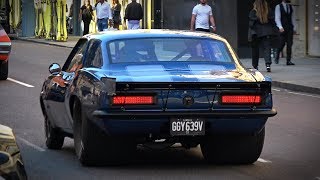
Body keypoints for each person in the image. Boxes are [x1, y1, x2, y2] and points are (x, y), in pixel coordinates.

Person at [248, 0, 277, 72]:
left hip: (256, 33)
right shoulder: (268, 11)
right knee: (267, 49)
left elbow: (251, 24)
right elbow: (273, 21)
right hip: (266, 32)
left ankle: (255, 66)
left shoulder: (253, 12)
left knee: (255, 50)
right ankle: (268, 65)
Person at [274, 0, 295, 65]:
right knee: (281, 43)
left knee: (289, 44)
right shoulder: (278, 6)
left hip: (290, 28)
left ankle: (288, 60)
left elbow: (293, 18)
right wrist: (280, 27)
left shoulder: (291, 7)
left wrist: (294, 27)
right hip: (282, 28)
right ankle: (277, 55)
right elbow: (277, 18)